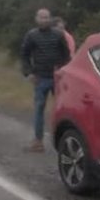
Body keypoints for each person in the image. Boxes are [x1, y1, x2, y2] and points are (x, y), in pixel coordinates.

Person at [21, 8, 71, 153]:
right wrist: (28, 73)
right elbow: (24, 55)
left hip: (57, 78)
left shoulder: (58, 34)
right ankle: (38, 141)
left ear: (50, 19)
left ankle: (64, 142)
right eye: (41, 18)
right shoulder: (31, 35)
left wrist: (62, 71)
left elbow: (66, 55)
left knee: (63, 111)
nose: (44, 20)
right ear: (36, 19)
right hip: (40, 78)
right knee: (39, 110)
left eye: (46, 17)